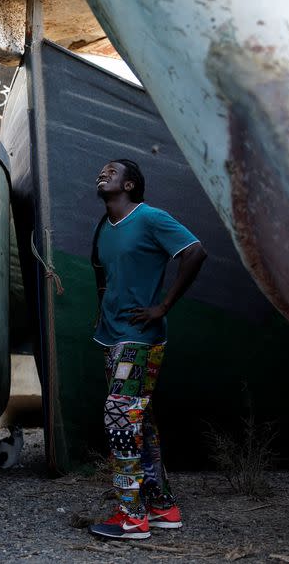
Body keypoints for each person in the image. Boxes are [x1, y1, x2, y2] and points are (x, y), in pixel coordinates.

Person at [86, 159, 207, 540]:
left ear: (131, 185)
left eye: (112, 170)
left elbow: (195, 252)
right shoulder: (103, 228)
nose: (103, 172)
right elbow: (102, 277)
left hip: (140, 338)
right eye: (101, 169)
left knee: (120, 416)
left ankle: (131, 516)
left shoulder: (151, 218)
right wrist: (100, 313)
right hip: (111, 336)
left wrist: (163, 306)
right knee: (142, 423)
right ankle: (162, 507)